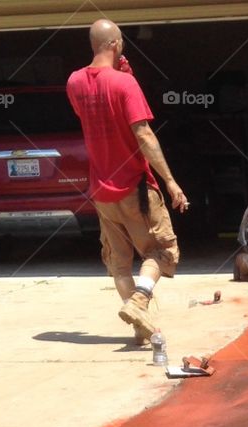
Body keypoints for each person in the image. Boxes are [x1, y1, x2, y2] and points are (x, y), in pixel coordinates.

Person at [67, 19, 188, 343]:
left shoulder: (74, 82)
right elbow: (143, 134)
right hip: (134, 187)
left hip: (101, 191)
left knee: (119, 263)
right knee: (162, 252)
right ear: (116, 44)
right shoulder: (125, 85)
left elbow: (98, 118)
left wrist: (124, 77)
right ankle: (139, 301)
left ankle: (140, 328)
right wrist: (171, 181)